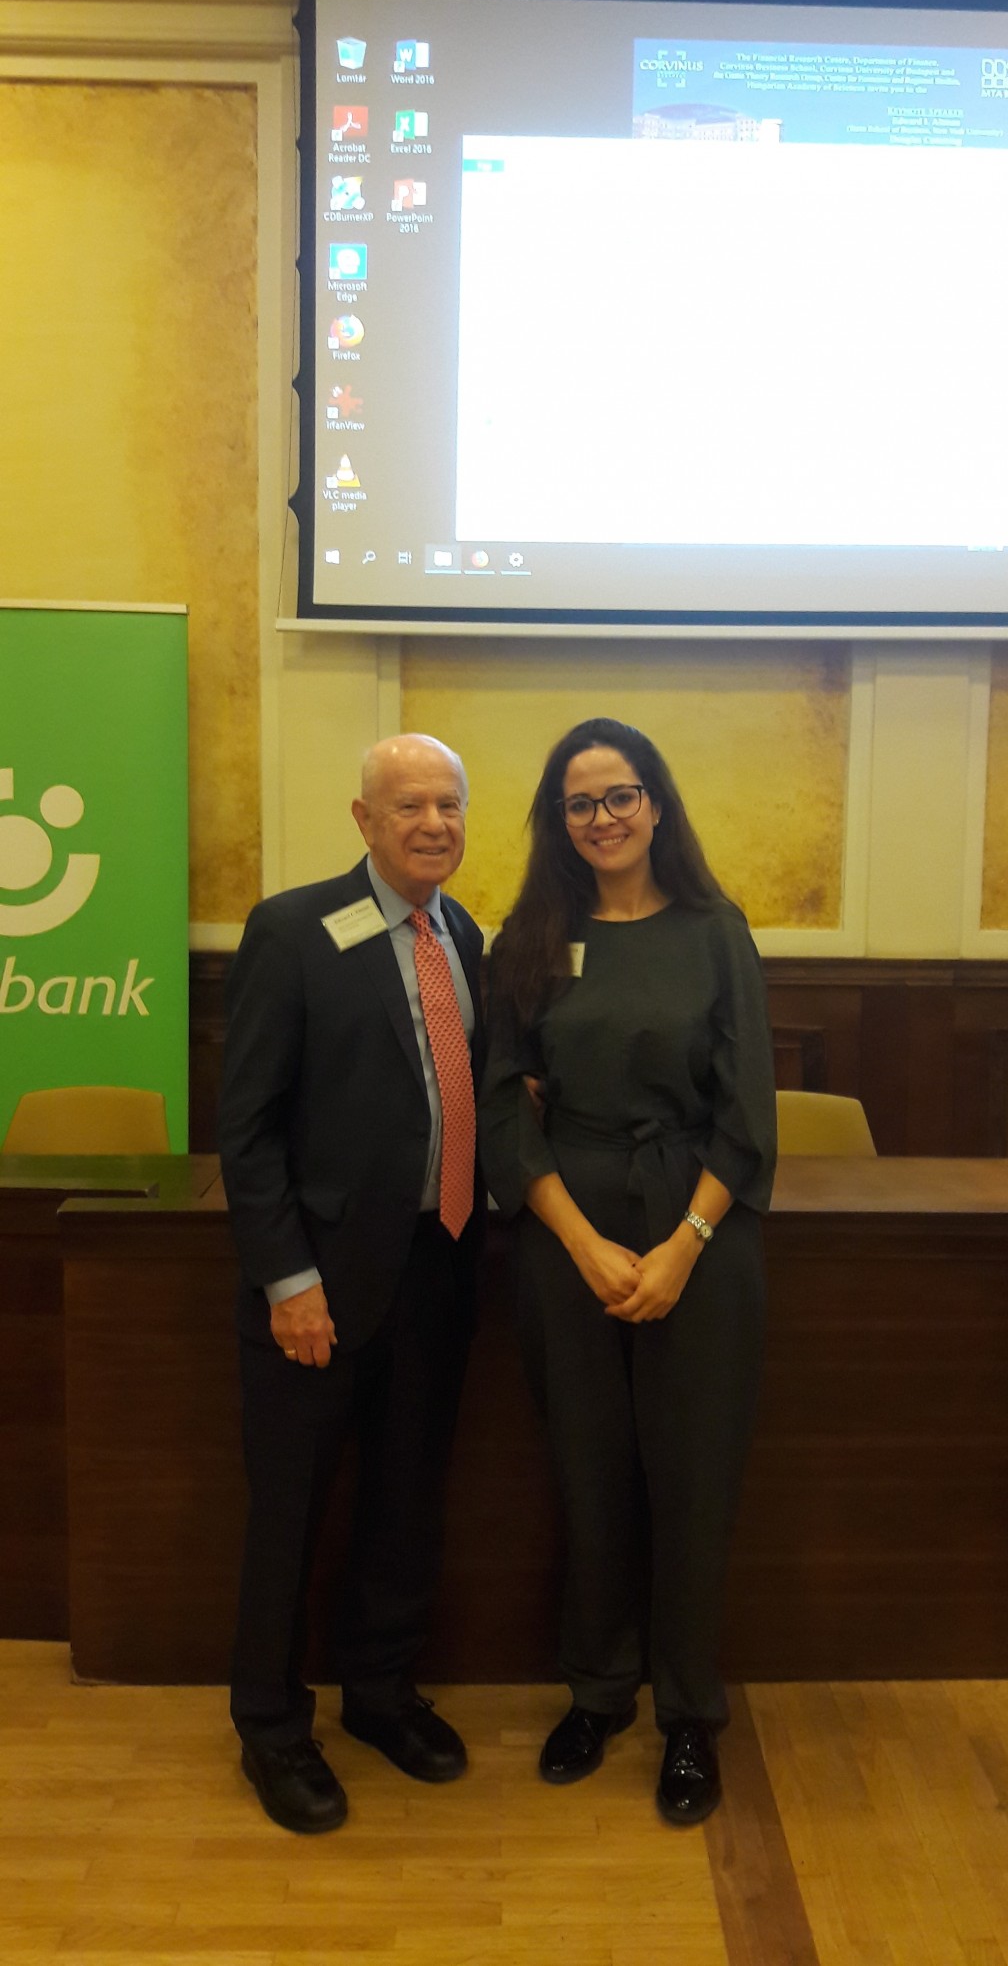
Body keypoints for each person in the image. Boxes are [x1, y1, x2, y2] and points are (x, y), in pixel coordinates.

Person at [480, 717, 776, 1826]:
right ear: (558, 821)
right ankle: (599, 1693)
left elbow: (747, 1117)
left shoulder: (715, 932)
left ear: (655, 803)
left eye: (619, 795)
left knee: (693, 1479)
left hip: (699, 1226)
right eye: (579, 802)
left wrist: (683, 1245)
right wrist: (582, 1241)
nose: (601, 817)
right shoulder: (531, 938)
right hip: (568, 1230)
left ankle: (689, 1714)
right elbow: (504, 1107)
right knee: (589, 1469)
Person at [218, 734, 484, 1834]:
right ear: (365, 820)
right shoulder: (292, 930)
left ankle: (379, 1692)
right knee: (291, 1512)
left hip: (440, 1264)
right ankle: (272, 1727)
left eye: (449, 804)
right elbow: (246, 1127)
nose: (433, 823)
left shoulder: (464, 934)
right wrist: (288, 1278)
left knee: (406, 1499)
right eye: (408, 804)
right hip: (318, 1284)